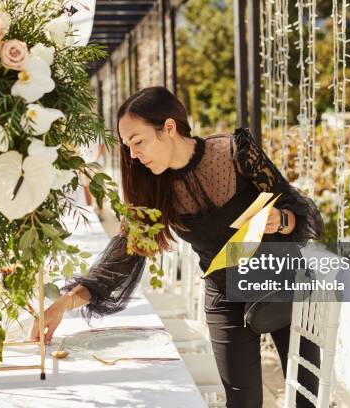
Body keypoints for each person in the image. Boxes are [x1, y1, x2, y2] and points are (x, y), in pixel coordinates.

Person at [31, 86, 324, 407]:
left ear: (169, 128)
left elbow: (299, 212)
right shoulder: (152, 185)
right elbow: (126, 252)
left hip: (280, 281)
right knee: (243, 403)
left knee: (306, 396)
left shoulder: (236, 152)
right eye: (127, 146)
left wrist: (279, 220)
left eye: (138, 141)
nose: (132, 155)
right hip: (224, 292)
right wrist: (64, 303)